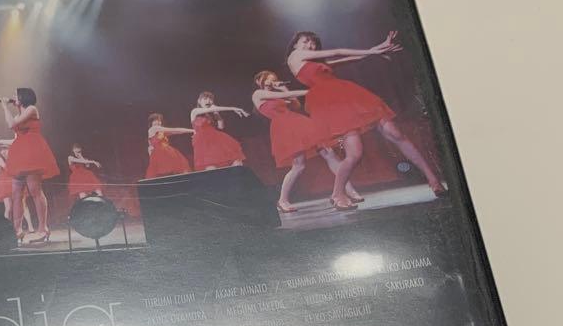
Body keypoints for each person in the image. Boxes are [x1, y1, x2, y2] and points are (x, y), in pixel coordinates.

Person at [287, 30, 445, 208]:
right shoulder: (296, 55)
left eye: (313, 43)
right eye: (305, 41)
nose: (310, 45)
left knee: (395, 133)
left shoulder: (313, 61)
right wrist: (373, 51)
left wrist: (375, 49)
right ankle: (337, 193)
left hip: (347, 96)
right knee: (355, 153)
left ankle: (433, 180)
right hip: (332, 104)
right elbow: (337, 52)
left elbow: (349, 59)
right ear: (295, 44)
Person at [251, 70, 365, 213]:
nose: (271, 81)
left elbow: (296, 105)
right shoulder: (258, 94)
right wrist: (311, 91)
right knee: (299, 165)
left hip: (299, 123)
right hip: (285, 128)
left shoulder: (278, 93)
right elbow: (286, 95)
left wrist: (283, 87)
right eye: (268, 79)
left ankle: (348, 190)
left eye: (273, 78)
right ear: (259, 81)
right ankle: (282, 200)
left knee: (329, 153)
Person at [0, 87, 60, 244]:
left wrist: (4, 106)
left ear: (23, 97)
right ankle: (17, 230)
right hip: (19, 153)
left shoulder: (31, 109)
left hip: (32, 151)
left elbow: (11, 124)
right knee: (16, 194)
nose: (13, 97)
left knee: (35, 191)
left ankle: (43, 228)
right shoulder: (18, 115)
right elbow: (15, 135)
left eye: (15, 95)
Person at [189, 91, 247, 170]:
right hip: (204, 143)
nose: (208, 101)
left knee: (236, 162)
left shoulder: (210, 115)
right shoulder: (195, 111)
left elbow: (221, 126)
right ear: (199, 101)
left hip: (216, 140)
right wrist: (233, 108)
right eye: (205, 99)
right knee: (211, 167)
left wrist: (216, 113)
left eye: (210, 99)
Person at [144, 113, 193, 178]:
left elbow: (177, 131)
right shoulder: (153, 129)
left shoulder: (161, 132)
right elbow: (174, 130)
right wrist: (192, 130)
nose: (158, 122)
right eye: (155, 120)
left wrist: (192, 131)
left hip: (166, 153)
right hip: (160, 154)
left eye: (159, 120)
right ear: (151, 122)